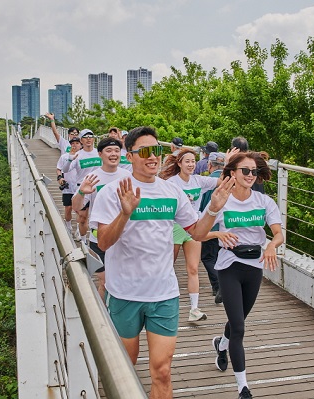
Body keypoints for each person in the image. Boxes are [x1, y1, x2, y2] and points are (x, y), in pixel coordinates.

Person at [90, 126, 235, 399]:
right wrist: (125, 213)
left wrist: (214, 208)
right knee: (124, 371)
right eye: (143, 151)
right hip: (124, 294)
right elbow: (105, 243)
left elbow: (197, 233)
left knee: (162, 372)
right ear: (129, 156)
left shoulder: (171, 192)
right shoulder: (113, 192)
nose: (152, 156)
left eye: (156, 150)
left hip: (164, 294)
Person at [207, 151, 284, 399]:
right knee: (239, 326)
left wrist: (272, 245)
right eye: (245, 171)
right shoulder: (221, 200)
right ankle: (243, 388)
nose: (251, 175)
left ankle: (221, 343)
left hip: (254, 267)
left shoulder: (264, 202)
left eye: (254, 171)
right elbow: (197, 231)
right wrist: (219, 235)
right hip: (229, 265)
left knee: (237, 320)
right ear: (232, 173)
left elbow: (278, 233)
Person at [159, 148, 222, 322]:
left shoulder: (199, 180)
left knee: (193, 269)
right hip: (175, 227)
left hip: (193, 227)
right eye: (187, 161)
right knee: (166, 267)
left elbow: (222, 182)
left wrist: (229, 163)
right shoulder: (171, 183)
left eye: (193, 161)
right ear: (179, 163)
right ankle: (161, 302)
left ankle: (194, 309)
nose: (191, 164)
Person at [71, 137, 131, 300]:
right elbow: (76, 207)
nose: (113, 154)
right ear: (100, 154)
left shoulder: (128, 176)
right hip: (98, 237)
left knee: (122, 281)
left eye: (117, 151)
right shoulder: (92, 178)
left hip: (124, 238)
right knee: (104, 282)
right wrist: (82, 192)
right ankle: (104, 321)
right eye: (109, 151)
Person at [61, 129, 102, 242]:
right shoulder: (78, 155)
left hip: (98, 188)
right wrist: (70, 159)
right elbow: (65, 169)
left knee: (99, 217)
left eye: (91, 136)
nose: (88, 138)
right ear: (81, 140)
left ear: (94, 139)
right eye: (85, 136)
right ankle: (84, 241)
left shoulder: (100, 152)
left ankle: (97, 240)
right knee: (83, 218)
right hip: (82, 188)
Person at [198, 152, 226, 304]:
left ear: (209, 165)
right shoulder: (230, 180)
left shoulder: (209, 182)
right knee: (221, 256)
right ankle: (218, 287)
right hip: (227, 226)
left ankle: (220, 285)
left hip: (211, 225)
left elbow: (202, 205)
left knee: (208, 257)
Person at [56, 136, 83, 235]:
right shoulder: (64, 157)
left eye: (77, 143)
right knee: (68, 208)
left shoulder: (83, 157)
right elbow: (59, 169)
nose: (74, 145)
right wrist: (60, 178)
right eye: (72, 143)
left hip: (79, 187)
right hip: (68, 187)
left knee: (80, 210)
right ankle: (68, 226)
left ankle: (79, 230)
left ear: (81, 145)